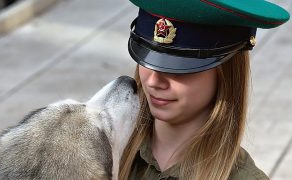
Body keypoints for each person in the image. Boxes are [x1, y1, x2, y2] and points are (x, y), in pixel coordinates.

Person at [119, 0, 290, 180]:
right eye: (148, 59)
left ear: (225, 72)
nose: (154, 81)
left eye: (178, 68)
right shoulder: (103, 149)